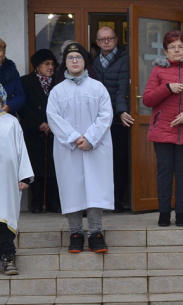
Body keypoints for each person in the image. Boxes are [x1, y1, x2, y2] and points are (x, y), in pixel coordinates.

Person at [47, 42, 114, 254]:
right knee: (72, 188)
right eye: (70, 57)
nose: (74, 61)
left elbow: (106, 116)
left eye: (78, 57)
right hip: (69, 149)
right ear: (64, 62)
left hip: (95, 147)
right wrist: (76, 138)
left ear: (85, 61)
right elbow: (54, 118)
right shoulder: (57, 91)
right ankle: (75, 233)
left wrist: (90, 138)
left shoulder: (98, 87)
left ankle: (95, 233)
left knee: (95, 188)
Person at [142, 30, 183, 227]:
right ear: (165, 51)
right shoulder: (158, 71)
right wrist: (167, 88)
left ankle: (181, 214)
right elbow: (148, 99)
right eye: (172, 47)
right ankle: (163, 214)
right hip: (163, 129)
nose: (176, 50)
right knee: (164, 172)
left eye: (180, 47)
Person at [93, 26, 134, 213]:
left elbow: (122, 88)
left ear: (117, 40)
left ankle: (117, 201)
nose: (106, 42)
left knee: (119, 162)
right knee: (100, 163)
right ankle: (101, 202)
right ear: (97, 42)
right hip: (97, 121)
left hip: (118, 120)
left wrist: (120, 111)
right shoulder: (92, 62)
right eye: (102, 39)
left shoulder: (126, 59)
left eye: (110, 38)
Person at [19, 49, 61, 213]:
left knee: (53, 167)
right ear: (37, 66)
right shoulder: (26, 82)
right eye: (46, 64)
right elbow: (23, 107)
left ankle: (53, 203)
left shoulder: (59, 81)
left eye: (52, 64)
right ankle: (36, 203)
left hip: (54, 131)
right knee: (35, 167)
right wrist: (39, 124)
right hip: (33, 131)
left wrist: (52, 124)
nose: (50, 67)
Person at [0, 83, 34, 276]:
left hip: (7, 180)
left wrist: (25, 176)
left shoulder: (11, 122)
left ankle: (7, 256)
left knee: (4, 217)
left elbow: (21, 150)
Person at [0, 37, 26, 116]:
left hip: (7, 116)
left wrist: (9, 106)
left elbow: (20, 96)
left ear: (4, 53)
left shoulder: (11, 70)